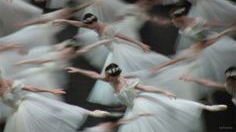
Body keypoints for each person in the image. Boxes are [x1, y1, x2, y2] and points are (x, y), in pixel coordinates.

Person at [65, 63, 227, 132]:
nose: (106, 78)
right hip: (131, 107)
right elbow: (94, 75)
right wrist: (78, 70)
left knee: (174, 107)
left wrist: (164, 92)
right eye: (107, 76)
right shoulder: (109, 80)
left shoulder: (127, 82)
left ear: (116, 76)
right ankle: (206, 107)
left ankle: (207, 107)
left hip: (140, 104)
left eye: (109, 76)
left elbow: (147, 87)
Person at [0, 72, 112, 132]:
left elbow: (31, 88)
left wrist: (51, 90)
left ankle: (91, 112)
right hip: (18, 115)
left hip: (28, 104)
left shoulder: (8, 82)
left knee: (56, 112)